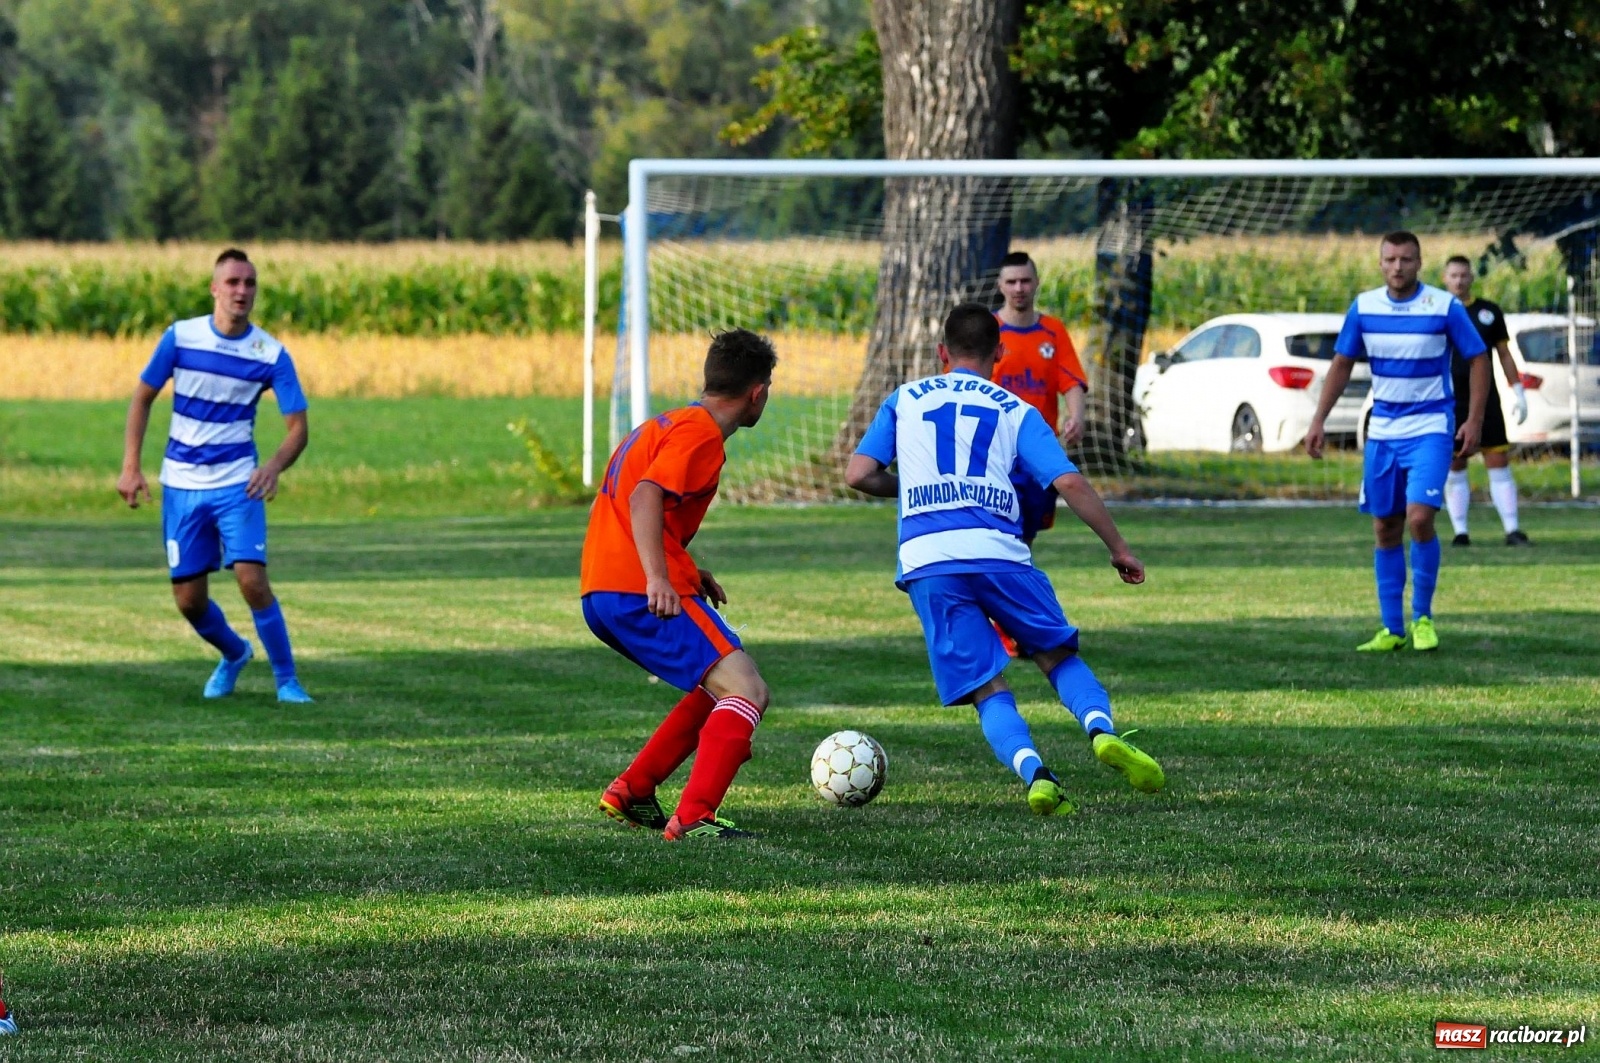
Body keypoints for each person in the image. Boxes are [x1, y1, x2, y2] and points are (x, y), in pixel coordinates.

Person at [846, 303, 1164, 816]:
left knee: (986, 686)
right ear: (998, 352)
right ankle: (1101, 731)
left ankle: (1036, 774)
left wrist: (914, 489)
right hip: (999, 552)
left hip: (929, 560)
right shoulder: (1015, 409)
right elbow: (1069, 481)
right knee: (1056, 656)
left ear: (941, 352)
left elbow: (858, 474)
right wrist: (1118, 549)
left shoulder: (904, 400)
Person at [582, 329, 779, 840]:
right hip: (635, 587)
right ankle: (694, 817)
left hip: (603, 588)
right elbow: (645, 496)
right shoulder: (701, 434)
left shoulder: (668, 422)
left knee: (717, 686)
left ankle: (634, 790)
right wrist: (658, 577)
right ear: (757, 392)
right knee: (748, 689)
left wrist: (684, 568)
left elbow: (637, 504)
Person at [117, 249, 314, 702]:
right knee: (189, 601)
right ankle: (234, 653)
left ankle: (287, 681)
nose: (241, 291)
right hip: (182, 485)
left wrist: (273, 466)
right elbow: (142, 398)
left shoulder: (270, 353)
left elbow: (298, 428)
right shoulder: (180, 338)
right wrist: (131, 467)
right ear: (214, 288)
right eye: (232, 282)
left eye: (249, 283)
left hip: (237, 482)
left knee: (251, 578)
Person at [1306, 232, 1489, 652]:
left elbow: (1478, 357)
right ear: (1380, 262)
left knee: (1420, 518)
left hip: (1431, 427)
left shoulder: (1444, 306)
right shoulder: (1364, 306)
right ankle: (1392, 629)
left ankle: (1423, 618)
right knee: (1385, 526)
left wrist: (1473, 419)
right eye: (1390, 259)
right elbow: (1342, 362)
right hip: (1383, 431)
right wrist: (1319, 419)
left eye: (1406, 259)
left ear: (1419, 262)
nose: (1397, 267)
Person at [990, 251, 1090, 545]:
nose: (1018, 288)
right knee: (998, 529)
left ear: (1036, 283)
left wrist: (1077, 418)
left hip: (1037, 448)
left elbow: (1071, 380)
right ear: (1000, 285)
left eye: (1025, 281)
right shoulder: (988, 331)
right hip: (996, 448)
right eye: (1012, 282)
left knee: (1026, 533)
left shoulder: (1053, 331)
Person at [1440, 255, 1531, 546]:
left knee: (1498, 459)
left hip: (1486, 399)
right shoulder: (1437, 310)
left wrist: (1517, 389)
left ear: (1471, 278)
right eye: (1453, 275)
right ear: (1445, 278)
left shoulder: (1488, 311)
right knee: (1455, 464)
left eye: (1464, 275)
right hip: (1451, 399)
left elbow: (1504, 354)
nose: (1459, 280)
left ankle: (1512, 529)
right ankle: (1460, 532)